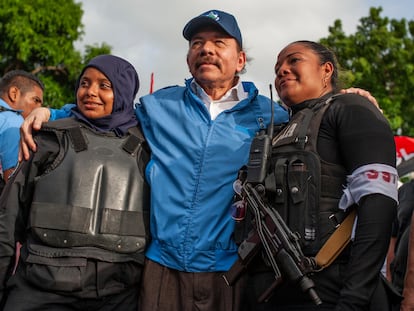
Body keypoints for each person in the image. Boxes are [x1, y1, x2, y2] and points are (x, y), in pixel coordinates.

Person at [19, 11, 382, 311]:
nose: (206, 50)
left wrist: (350, 96)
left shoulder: (273, 116)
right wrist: (52, 111)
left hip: (233, 271)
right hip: (160, 268)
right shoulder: (158, 106)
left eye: (219, 44)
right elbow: (106, 112)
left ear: (239, 59)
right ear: (189, 57)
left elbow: (319, 114)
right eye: (197, 44)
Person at [241, 40, 399, 310]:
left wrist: (355, 298)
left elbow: (379, 205)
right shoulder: (272, 133)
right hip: (270, 292)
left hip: (332, 289)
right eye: (277, 67)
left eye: (294, 60)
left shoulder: (352, 108)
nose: (282, 70)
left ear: (326, 70)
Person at [0, 54, 150, 310]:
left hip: (117, 296)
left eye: (104, 85)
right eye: (84, 83)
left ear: (124, 91)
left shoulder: (148, 149)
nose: (90, 92)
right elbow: (8, 220)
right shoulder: (49, 139)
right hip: (40, 292)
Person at [0, 70, 43, 184]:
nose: (39, 109)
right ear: (14, 93)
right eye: (36, 100)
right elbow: (12, 181)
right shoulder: (14, 122)